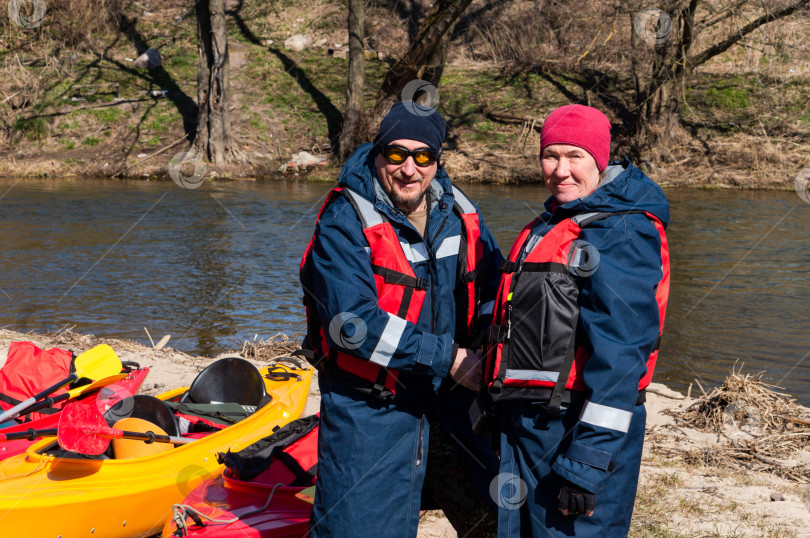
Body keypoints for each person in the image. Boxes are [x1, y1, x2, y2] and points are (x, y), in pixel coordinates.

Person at [300, 101, 502, 537]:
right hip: (372, 406)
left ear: (437, 160)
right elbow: (352, 326)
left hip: (450, 402)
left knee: (501, 518)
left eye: (423, 156)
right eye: (396, 154)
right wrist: (448, 358)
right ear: (378, 153)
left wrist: (487, 340)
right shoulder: (344, 220)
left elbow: (493, 285)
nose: (409, 168)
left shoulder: (460, 213)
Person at [483, 104, 670, 536]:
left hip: (576, 433)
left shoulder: (619, 232)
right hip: (533, 427)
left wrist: (586, 464)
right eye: (551, 155)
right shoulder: (558, 221)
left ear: (600, 161)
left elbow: (623, 355)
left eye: (575, 156)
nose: (561, 170)